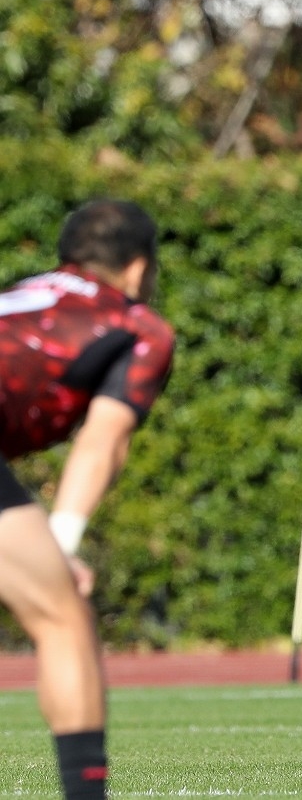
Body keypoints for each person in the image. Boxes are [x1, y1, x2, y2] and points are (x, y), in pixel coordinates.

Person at [0, 200, 175, 799]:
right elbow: (102, 442)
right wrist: (64, 544)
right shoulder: (137, 326)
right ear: (137, 268)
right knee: (63, 618)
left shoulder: (24, 293)